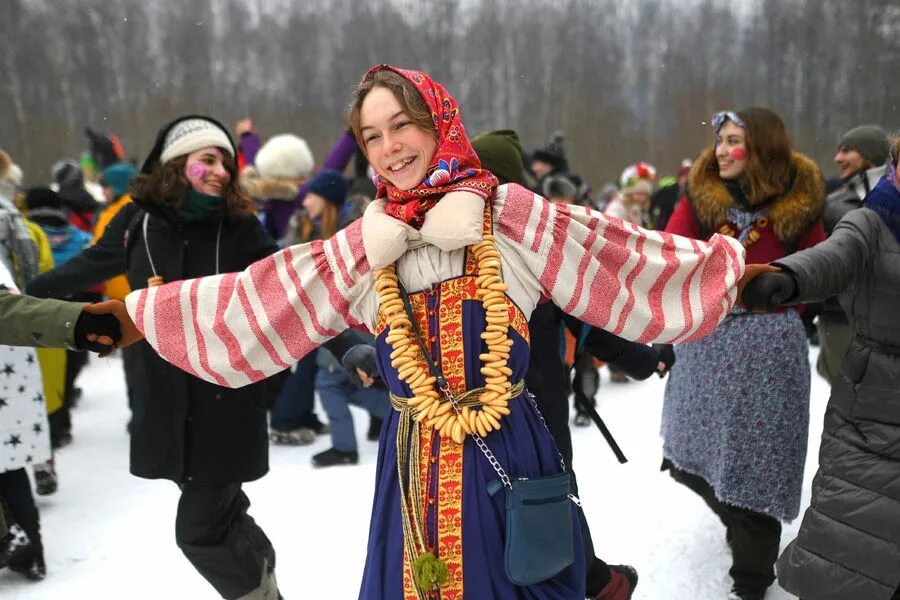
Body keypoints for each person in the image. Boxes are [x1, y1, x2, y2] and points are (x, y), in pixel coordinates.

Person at [122, 66, 744, 599]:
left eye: (402, 125)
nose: (390, 146)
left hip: (508, 448)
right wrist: (140, 314)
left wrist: (741, 272)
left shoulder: (509, 218)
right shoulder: (366, 248)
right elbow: (265, 296)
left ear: (438, 121)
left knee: (518, 574)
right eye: (372, 135)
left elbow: (621, 260)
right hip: (412, 464)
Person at [27, 116, 283, 600]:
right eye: (207, 160)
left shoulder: (241, 228)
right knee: (222, 512)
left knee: (199, 531)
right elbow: (88, 266)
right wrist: (20, 297)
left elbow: (290, 290)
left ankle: (261, 591)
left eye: (226, 162)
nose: (221, 172)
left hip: (226, 400)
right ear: (174, 164)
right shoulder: (136, 223)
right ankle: (263, 572)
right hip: (165, 396)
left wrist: (343, 343)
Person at [661, 107, 826, 600]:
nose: (722, 150)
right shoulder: (698, 198)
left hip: (770, 350)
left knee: (761, 464)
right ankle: (738, 518)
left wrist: (785, 290)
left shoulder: (802, 202)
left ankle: (752, 576)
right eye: (720, 140)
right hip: (707, 344)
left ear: (762, 148)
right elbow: (669, 253)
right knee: (691, 456)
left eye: (734, 141)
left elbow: (821, 271)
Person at [741, 135, 900, 600]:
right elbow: (832, 257)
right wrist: (785, 277)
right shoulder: (873, 221)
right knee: (851, 543)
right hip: (871, 408)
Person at [816, 124, 890, 385]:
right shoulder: (831, 206)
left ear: (869, 153)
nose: (838, 159)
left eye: (847, 151)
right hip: (841, 320)